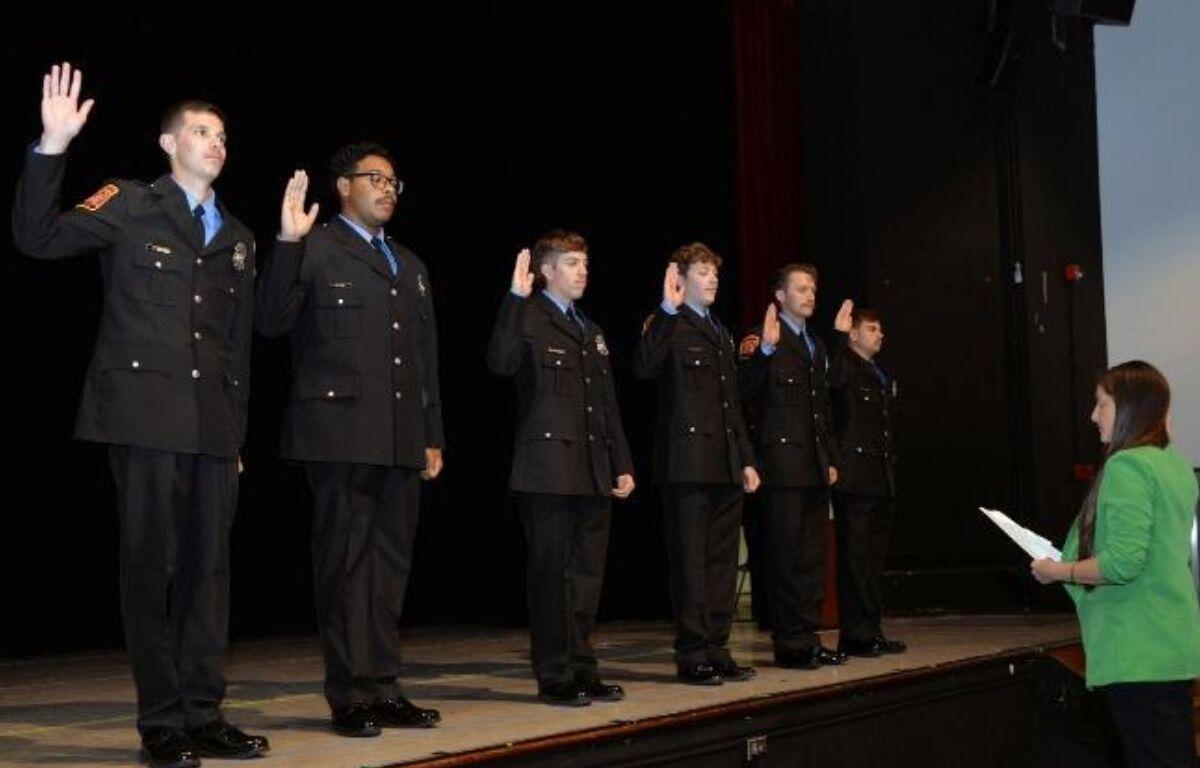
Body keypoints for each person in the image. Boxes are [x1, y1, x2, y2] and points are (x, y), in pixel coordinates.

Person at [12, 62, 266, 766]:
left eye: (222, 134)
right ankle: (162, 720)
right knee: (151, 570)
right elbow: (37, 238)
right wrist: (52, 148)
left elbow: (236, 348)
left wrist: (235, 433)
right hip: (143, 419)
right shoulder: (128, 203)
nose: (215, 143)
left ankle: (203, 711)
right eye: (201, 132)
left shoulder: (239, 238)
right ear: (168, 143)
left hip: (212, 429)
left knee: (210, 574)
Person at [255, 142, 443, 737]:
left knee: (390, 567)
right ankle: (349, 693)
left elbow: (425, 359)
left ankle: (384, 686)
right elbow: (271, 320)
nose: (388, 189)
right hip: (337, 435)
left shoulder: (409, 265)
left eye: (394, 181)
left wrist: (431, 433)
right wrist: (286, 245)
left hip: (399, 438)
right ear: (343, 186)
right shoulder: (314, 247)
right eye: (376, 178)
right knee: (344, 567)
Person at [486, 231, 635, 706]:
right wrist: (513, 298)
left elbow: (606, 405)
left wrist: (621, 463)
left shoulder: (591, 330)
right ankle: (554, 674)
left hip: (591, 468)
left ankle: (582, 666)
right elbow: (500, 363)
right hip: (547, 470)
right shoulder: (528, 316)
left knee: (587, 577)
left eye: (585, 263)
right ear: (547, 270)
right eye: (571, 263)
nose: (581, 271)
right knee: (552, 578)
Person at [1032, 361, 1200, 768]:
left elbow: (1124, 563)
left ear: (1128, 409)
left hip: (1136, 649)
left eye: (1101, 405)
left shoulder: (1129, 466)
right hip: (1169, 644)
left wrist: (1059, 571)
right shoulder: (1175, 465)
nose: (1093, 416)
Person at [633, 242, 761, 685]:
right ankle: (692, 654)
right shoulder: (668, 324)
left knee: (722, 563)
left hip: (725, 464)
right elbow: (644, 367)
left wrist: (746, 460)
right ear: (680, 280)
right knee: (690, 563)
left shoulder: (722, 333)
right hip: (686, 465)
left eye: (715, 274)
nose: (711, 281)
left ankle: (717, 647)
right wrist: (666, 310)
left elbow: (731, 407)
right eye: (702, 273)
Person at [737, 264, 845, 669]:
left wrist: (831, 458)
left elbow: (823, 411)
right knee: (785, 556)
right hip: (781, 465)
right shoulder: (762, 338)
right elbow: (743, 389)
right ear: (780, 296)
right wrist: (764, 351)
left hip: (814, 465)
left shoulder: (814, 344)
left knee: (812, 558)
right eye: (800, 288)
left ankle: (808, 635)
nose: (809, 294)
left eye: (813, 288)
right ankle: (790, 643)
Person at [827, 301, 905, 657]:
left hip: (880, 478)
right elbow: (834, 382)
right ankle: (855, 634)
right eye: (872, 329)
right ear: (854, 332)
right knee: (855, 559)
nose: (880, 335)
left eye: (880, 329)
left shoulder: (879, 372)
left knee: (873, 561)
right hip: (855, 479)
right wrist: (839, 340)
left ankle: (871, 629)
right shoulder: (846, 366)